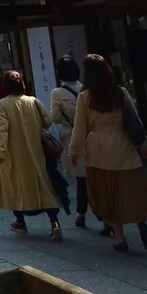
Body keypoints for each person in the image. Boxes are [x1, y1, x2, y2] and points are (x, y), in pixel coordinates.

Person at [70, 54, 147, 252]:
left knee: (108, 194)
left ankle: (120, 238)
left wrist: (74, 151)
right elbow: (135, 121)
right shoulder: (120, 92)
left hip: (98, 149)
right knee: (131, 188)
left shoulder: (85, 97)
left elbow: (79, 129)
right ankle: (140, 221)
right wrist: (144, 146)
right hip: (124, 146)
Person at [0, 70, 64, 241]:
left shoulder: (3, 104)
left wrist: (0, 151)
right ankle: (54, 222)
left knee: (15, 185)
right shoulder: (33, 101)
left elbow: (1, 130)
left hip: (14, 153)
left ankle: (20, 221)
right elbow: (47, 121)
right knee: (43, 185)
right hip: (36, 151)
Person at [50, 55, 92, 229]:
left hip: (72, 136)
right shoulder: (86, 89)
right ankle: (98, 213)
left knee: (82, 178)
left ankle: (81, 212)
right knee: (93, 176)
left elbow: (55, 118)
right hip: (92, 136)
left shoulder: (57, 93)